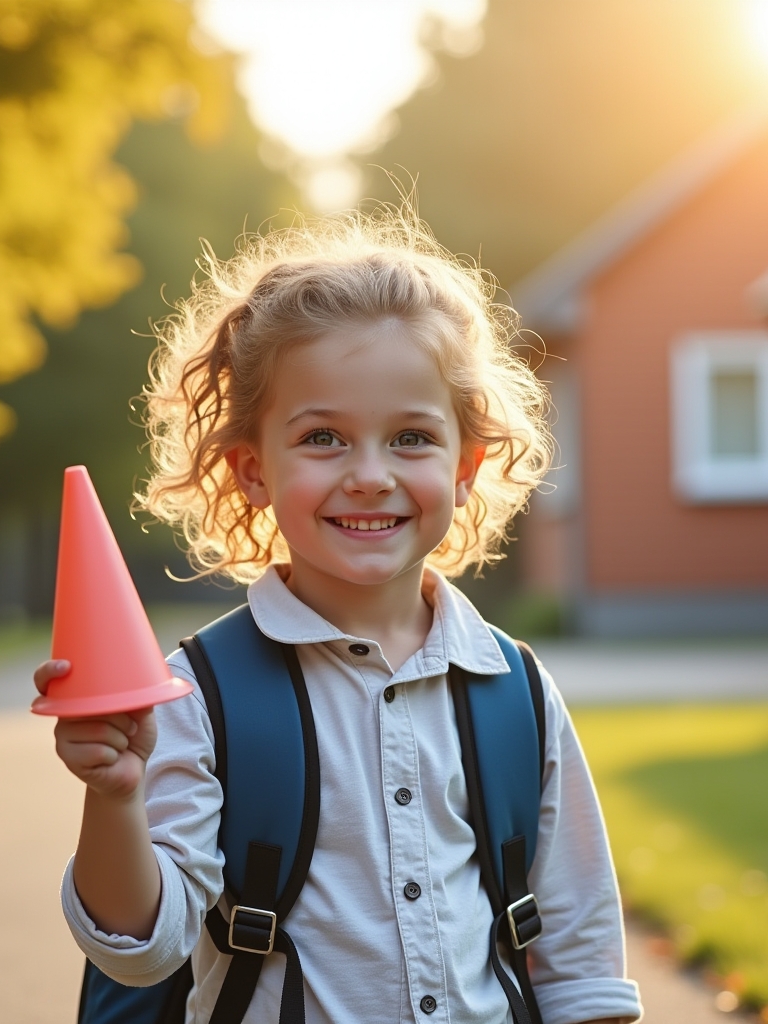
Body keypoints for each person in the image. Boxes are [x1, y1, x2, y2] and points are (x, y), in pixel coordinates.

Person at [34, 208, 642, 1024]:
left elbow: (580, 957)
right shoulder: (197, 696)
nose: (369, 475)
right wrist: (114, 797)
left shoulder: (516, 690)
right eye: (323, 438)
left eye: (411, 438)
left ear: (465, 467)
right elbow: (143, 948)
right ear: (253, 470)